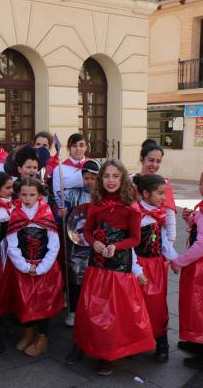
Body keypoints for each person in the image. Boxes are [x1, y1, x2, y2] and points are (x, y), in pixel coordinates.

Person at [66, 159, 154, 376]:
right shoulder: (96, 203)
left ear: (122, 178)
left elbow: (135, 239)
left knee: (113, 313)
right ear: (100, 179)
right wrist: (93, 241)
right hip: (97, 266)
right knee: (89, 310)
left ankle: (108, 354)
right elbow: (87, 231)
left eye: (115, 176)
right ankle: (81, 344)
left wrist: (116, 245)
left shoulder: (131, 207)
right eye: (107, 176)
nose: (111, 180)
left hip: (119, 268)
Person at [0, 178, 62, 357]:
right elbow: (12, 244)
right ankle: (28, 331)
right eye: (23, 194)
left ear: (39, 195)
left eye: (32, 195)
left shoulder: (46, 213)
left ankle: (42, 337)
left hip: (44, 268)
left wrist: (42, 267)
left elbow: (54, 245)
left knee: (43, 303)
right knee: (23, 301)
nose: (27, 198)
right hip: (22, 268)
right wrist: (24, 266)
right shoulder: (16, 214)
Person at [133, 174, 178, 363]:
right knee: (136, 305)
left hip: (157, 265)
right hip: (140, 266)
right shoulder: (135, 214)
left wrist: (175, 259)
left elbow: (164, 241)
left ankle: (162, 342)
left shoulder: (159, 213)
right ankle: (137, 341)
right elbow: (130, 245)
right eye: (159, 193)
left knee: (158, 305)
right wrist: (136, 269)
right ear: (145, 193)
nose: (163, 197)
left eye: (164, 193)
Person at [60, 159, 99, 327]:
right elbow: (65, 215)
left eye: (93, 178)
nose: (89, 181)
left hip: (97, 243)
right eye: (86, 177)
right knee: (75, 276)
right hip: (76, 241)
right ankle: (73, 311)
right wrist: (62, 212)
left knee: (95, 277)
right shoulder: (72, 193)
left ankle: (92, 309)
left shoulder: (104, 196)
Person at [172, 172, 203, 369]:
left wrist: (179, 261)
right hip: (197, 267)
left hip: (200, 268)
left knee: (199, 308)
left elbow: (201, 244)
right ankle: (195, 340)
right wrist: (191, 221)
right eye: (202, 182)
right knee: (194, 307)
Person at [137, 141, 177, 246]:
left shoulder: (164, 184)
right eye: (151, 160)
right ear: (142, 159)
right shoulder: (129, 182)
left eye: (158, 161)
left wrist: (170, 245)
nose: (154, 165)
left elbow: (170, 216)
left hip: (157, 242)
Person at [52, 133, 89, 209]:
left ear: (86, 147)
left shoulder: (92, 166)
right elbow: (58, 196)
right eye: (74, 146)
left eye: (81, 145)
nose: (78, 149)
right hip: (68, 210)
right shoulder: (59, 169)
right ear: (68, 148)